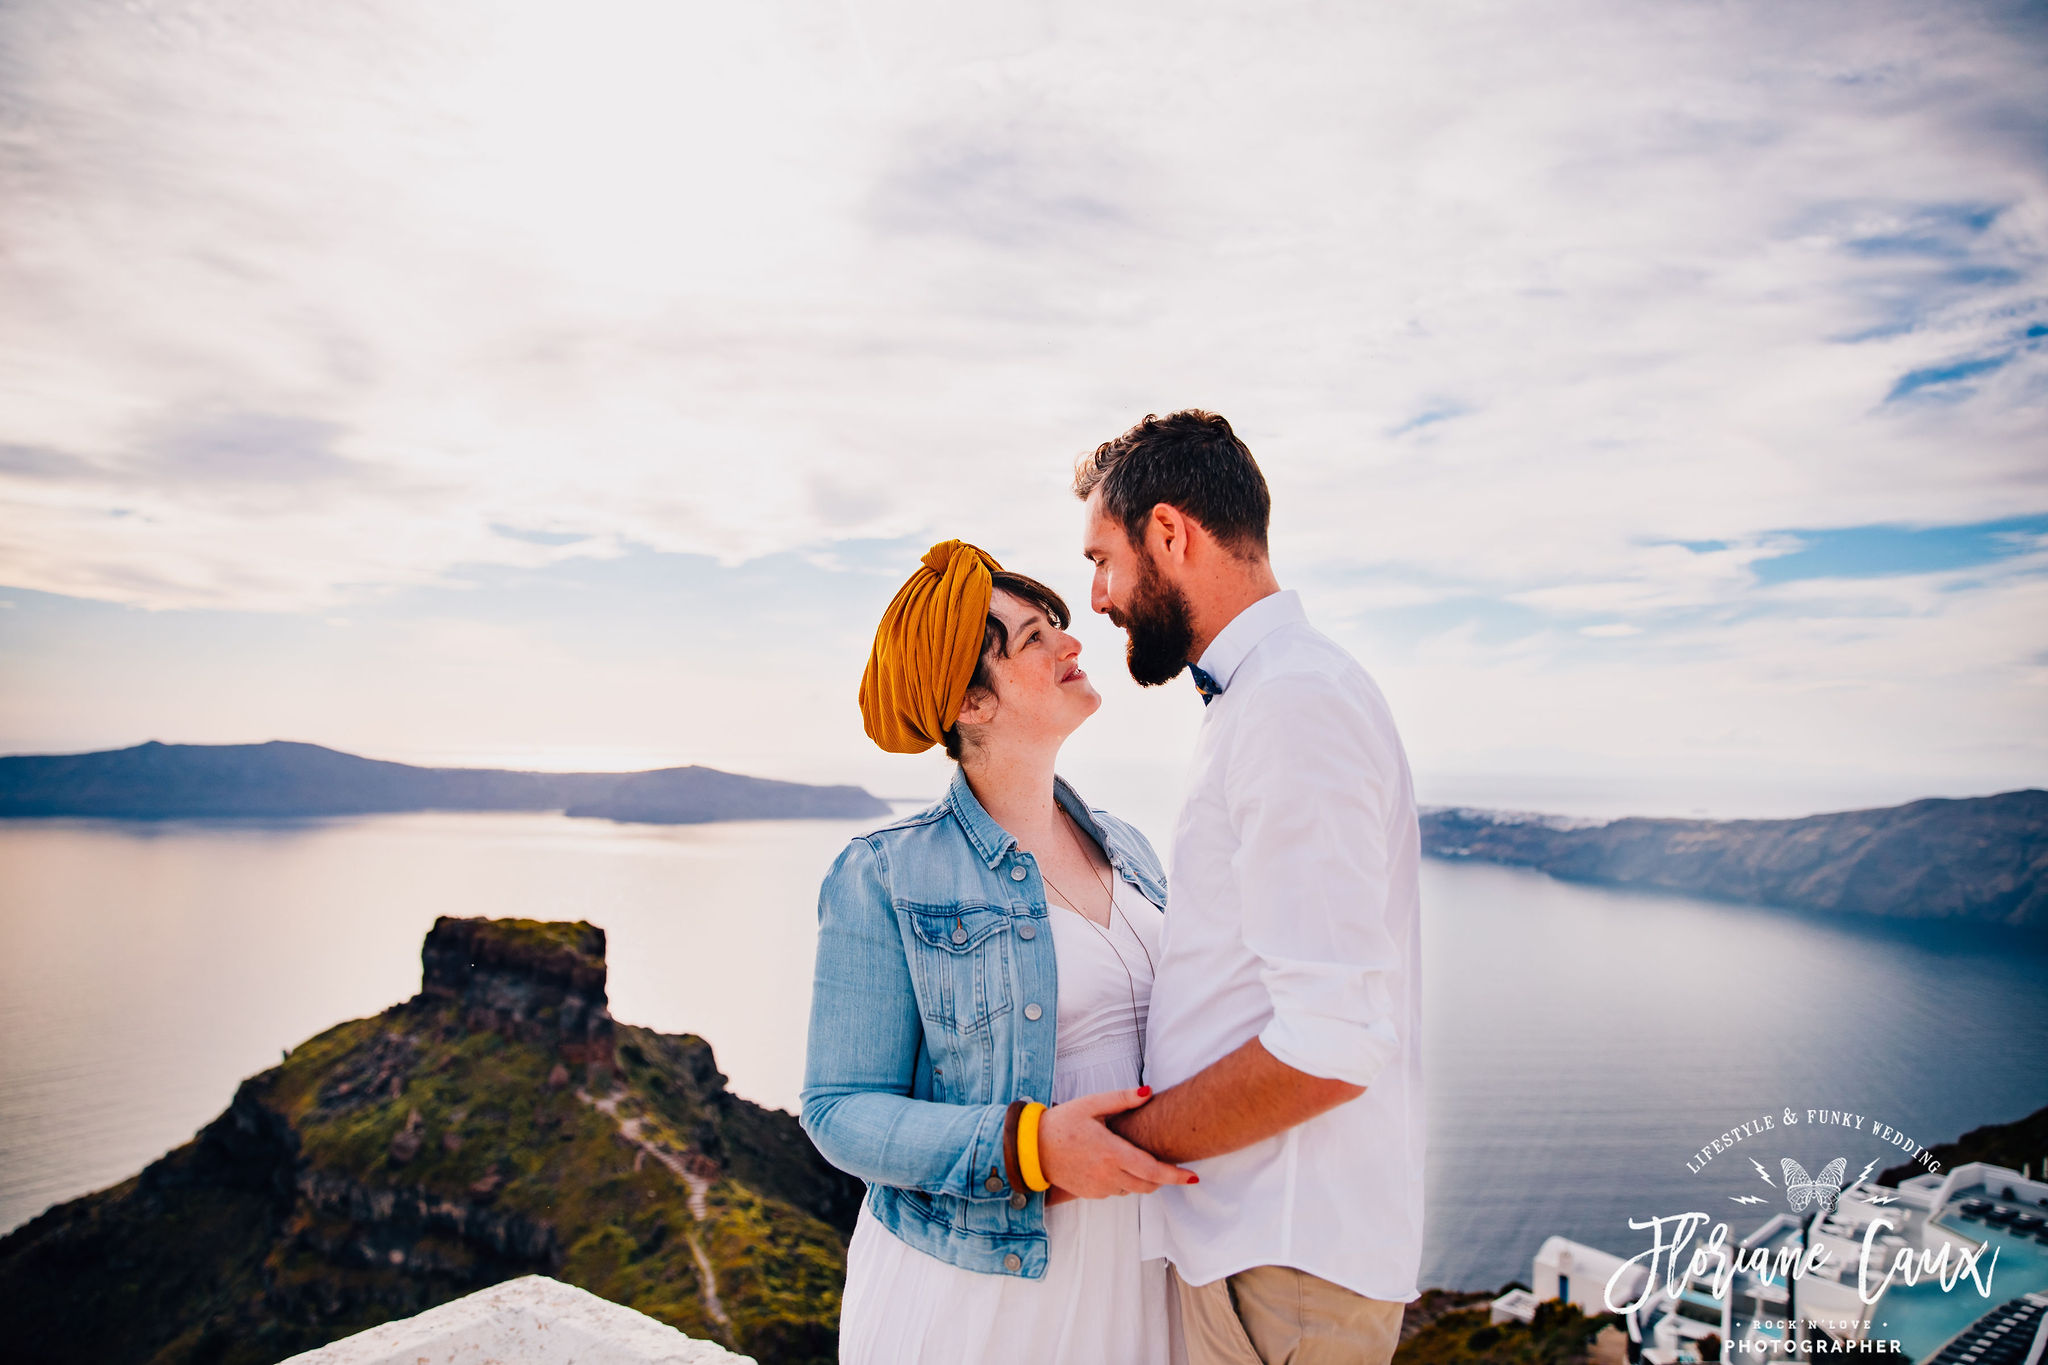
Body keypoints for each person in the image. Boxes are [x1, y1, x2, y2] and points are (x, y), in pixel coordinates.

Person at [1072, 411, 1426, 1365]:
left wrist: (1123, 1144)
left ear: (1170, 534)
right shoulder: (1270, 693)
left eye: (1102, 559)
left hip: (1285, 1266)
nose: (1097, 599)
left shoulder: (1291, 703)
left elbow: (1332, 1042)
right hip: (1265, 1256)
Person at [800, 539, 1198, 1365]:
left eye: (1057, 623)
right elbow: (838, 1109)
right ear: (970, 705)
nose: (1072, 640)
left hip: (1142, 1269)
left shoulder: (1129, 846)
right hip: (984, 1297)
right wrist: (1030, 1146)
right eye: (1030, 638)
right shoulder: (885, 873)